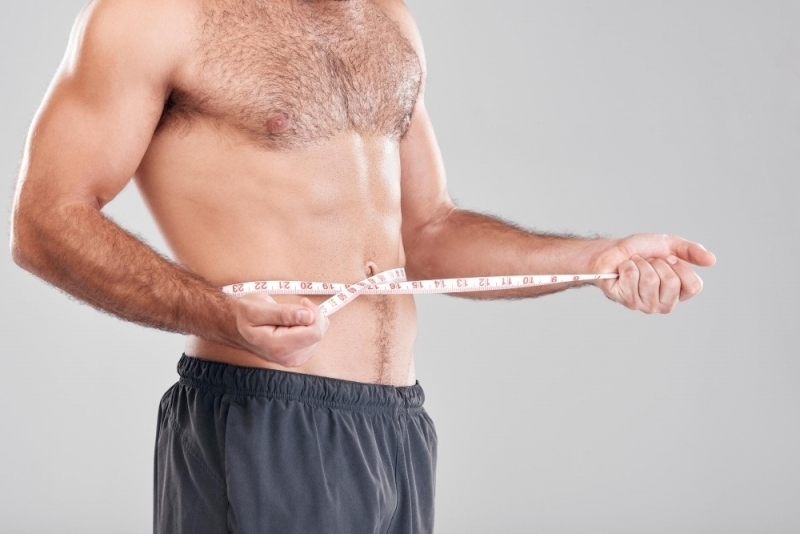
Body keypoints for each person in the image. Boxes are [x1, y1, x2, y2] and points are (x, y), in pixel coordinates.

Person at [10, 0, 716, 532]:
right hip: (266, 419)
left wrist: (593, 259)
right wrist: (217, 313)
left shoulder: (385, 19)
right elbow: (44, 220)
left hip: (395, 428)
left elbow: (428, 233)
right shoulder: (154, 16)